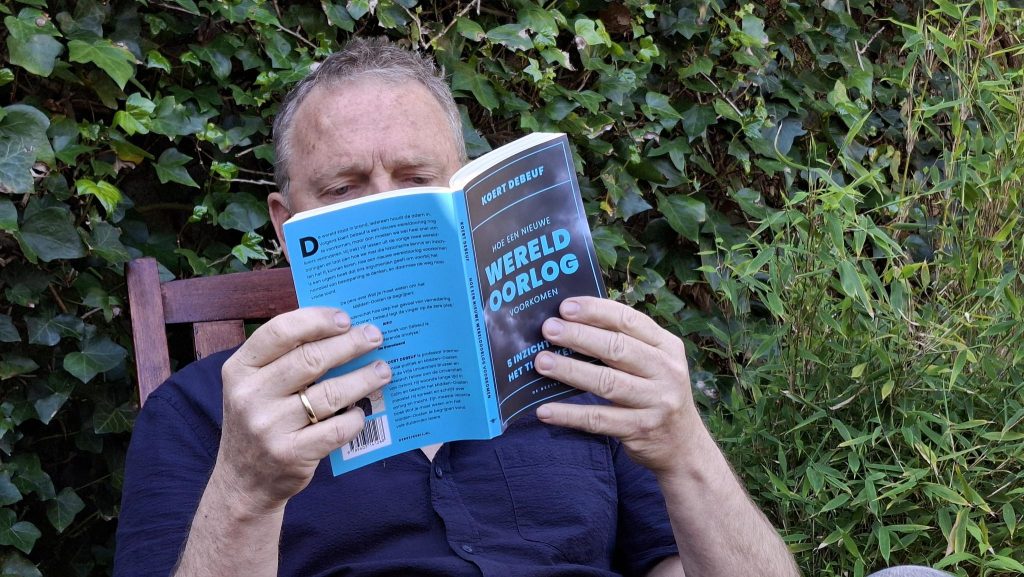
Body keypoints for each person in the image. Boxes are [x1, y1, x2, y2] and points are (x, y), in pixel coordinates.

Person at [114, 37, 800, 577]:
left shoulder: (575, 371)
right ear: (285, 223)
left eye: (417, 181)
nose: (386, 212)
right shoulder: (204, 413)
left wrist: (686, 447)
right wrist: (244, 488)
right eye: (343, 188)